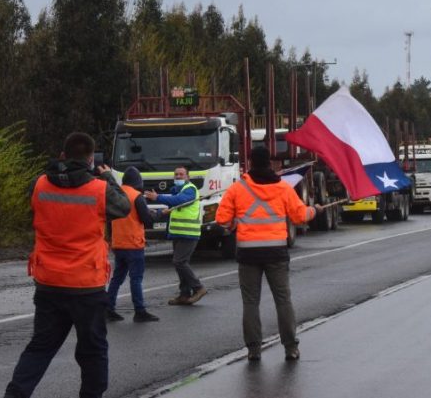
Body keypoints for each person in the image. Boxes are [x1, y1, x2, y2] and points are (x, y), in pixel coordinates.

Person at [4, 132, 131, 398]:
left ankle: (15, 394)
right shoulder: (99, 188)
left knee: (40, 347)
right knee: (92, 349)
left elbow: (34, 206)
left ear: (63, 155)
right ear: (90, 159)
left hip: (49, 280)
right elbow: (123, 207)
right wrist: (107, 176)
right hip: (86, 283)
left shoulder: (39, 184)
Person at [215, 146, 323, 362]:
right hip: (276, 252)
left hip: (248, 254)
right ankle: (291, 348)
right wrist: (315, 210)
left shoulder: (238, 189)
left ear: (250, 162)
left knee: (250, 302)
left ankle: (254, 350)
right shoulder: (282, 188)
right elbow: (300, 216)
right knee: (283, 300)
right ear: (269, 163)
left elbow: (222, 219)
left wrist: (236, 222)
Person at [144, 166, 207, 305]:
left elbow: (179, 201)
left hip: (189, 233)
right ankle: (184, 294)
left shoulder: (190, 189)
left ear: (187, 177)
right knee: (181, 264)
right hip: (179, 232)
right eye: (176, 175)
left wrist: (157, 197)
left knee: (179, 262)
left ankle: (199, 288)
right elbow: (175, 205)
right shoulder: (177, 191)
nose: (178, 177)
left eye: (181, 174)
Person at [106, 166, 160, 323]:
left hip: (118, 243)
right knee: (136, 278)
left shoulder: (116, 194)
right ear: (138, 181)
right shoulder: (137, 196)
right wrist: (156, 215)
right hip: (134, 243)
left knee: (117, 278)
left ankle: (109, 308)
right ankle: (140, 311)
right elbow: (147, 220)